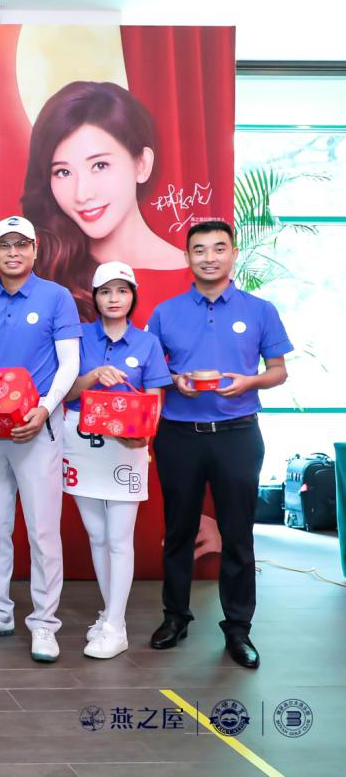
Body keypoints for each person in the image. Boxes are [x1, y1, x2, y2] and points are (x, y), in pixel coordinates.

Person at [146, 220, 291, 669]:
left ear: (233, 253)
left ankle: (238, 629)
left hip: (238, 434)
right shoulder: (165, 312)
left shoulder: (260, 310)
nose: (209, 257)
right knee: (178, 531)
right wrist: (175, 380)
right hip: (179, 434)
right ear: (187, 257)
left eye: (218, 248)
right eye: (199, 249)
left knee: (238, 534)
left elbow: (279, 371)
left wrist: (250, 381)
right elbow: (150, 370)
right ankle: (175, 617)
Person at [0, 215, 81, 663]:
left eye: (21, 244)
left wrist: (44, 408)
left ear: (35, 250)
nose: (13, 253)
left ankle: (44, 622)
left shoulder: (56, 297)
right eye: (4, 245)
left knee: (42, 529)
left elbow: (70, 363)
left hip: (38, 428)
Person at [62, 261, 171, 660]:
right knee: (97, 535)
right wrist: (94, 376)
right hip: (81, 442)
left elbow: (154, 401)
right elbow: (65, 391)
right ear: (95, 297)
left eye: (122, 291)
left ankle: (115, 626)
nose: (114, 299)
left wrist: (144, 436)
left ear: (132, 296)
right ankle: (110, 616)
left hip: (127, 447)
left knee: (120, 538)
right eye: (106, 291)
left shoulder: (147, 343)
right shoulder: (78, 339)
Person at [22, 80, 185, 321]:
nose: (82, 194)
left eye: (99, 165)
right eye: (63, 172)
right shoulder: (46, 272)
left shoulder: (196, 278)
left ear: (142, 164)